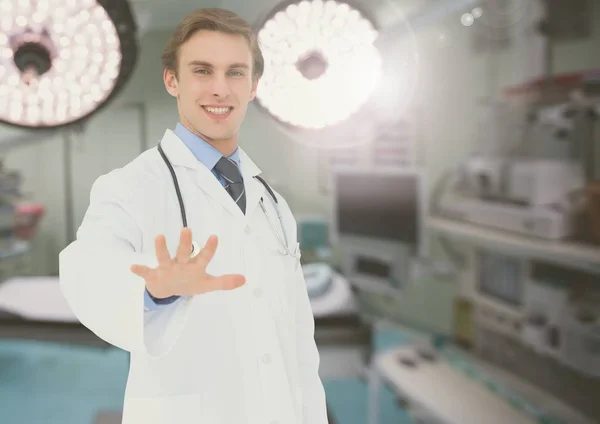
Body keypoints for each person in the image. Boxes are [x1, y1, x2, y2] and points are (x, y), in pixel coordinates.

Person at [58, 8, 328, 424]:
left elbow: (299, 340)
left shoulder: (272, 203)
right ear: (173, 81)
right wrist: (156, 291)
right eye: (202, 71)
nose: (220, 89)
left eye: (235, 73)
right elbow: (88, 268)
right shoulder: (130, 187)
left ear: (254, 86)